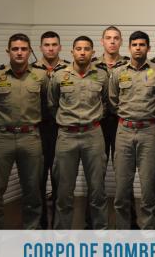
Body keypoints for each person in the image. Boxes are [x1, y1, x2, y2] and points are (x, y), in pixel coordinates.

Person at [0, 33, 47, 229]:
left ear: (30, 51)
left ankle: (31, 230)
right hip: (2, 138)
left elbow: (49, 104)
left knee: (33, 189)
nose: (20, 52)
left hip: (31, 138)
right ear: (8, 51)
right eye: (15, 49)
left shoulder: (40, 76)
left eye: (24, 49)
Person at [47, 36, 108, 229]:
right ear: (71, 52)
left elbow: (107, 102)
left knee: (98, 190)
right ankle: (62, 238)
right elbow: (52, 104)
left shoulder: (102, 75)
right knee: (64, 192)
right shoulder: (58, 76)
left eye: (87, 49)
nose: (82, 52)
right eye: (79, 49)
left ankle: (100, 235)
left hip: (93, 135)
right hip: (67, 136)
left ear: (93, 52)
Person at [107, 30, 155, 229]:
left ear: (148, 48)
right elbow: (113, 101)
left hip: (149, 132)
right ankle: (125, 233)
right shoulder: (118, 72)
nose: (138, 48)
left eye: (142, 45)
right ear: (129, 47)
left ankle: (150, 233)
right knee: (122, 189)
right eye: (134, 45)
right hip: (124, 132)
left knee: (149, 188)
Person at [31, 30, 69, 229]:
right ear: (40, 48)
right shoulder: (31, 71)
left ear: (60, 47)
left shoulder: (68, 70)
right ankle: (40, 225)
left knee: (60, 180)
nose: (51, 48)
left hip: (60, 130)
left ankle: (59, 228)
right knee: (38, 179)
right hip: (37, 130)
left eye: (54, 44)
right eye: (46, 45)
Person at [96, 26, 128, 170]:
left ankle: (124, 193)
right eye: (108, 38)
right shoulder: (92, 66)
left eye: (116, 38)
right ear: (102, 41)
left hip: (121, 121)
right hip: (98, 122)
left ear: (121, 42)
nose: (112, 42)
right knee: (97, 164)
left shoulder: (129, 65)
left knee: (122, 165)